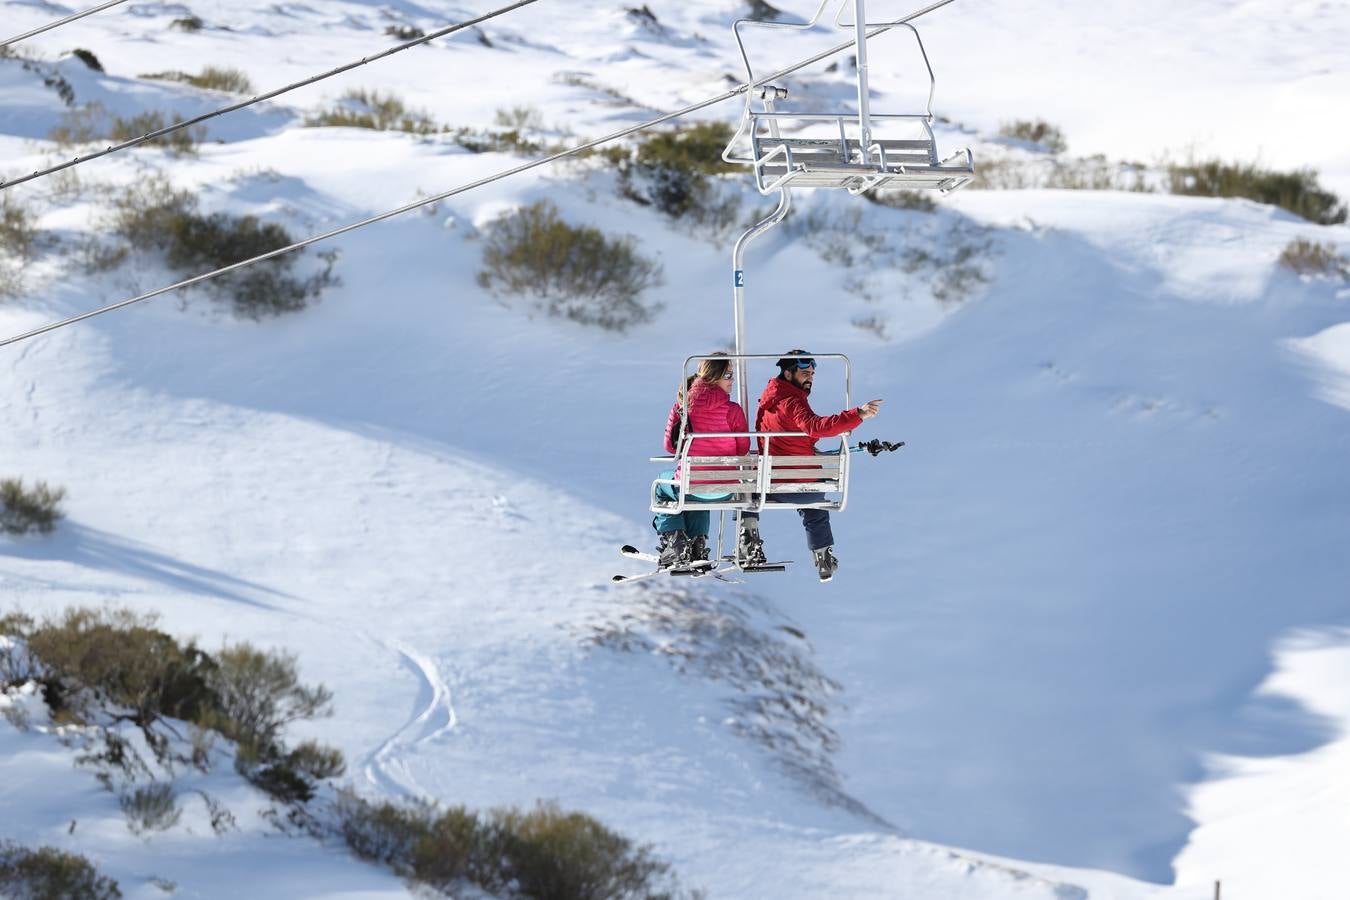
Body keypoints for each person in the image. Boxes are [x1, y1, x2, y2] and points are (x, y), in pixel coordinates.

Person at [738, 350, 882, 582]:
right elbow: (815, 426)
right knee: (814, 498)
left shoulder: (769, 401)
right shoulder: (791, 401)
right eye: (805, 373)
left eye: (812, 374)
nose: (810, 378)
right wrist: (858, 414)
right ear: (788, 373)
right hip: (800, 489)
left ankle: (748, 541)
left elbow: (783, 436)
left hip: (770, 486)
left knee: (746, 483)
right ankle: (823, 555)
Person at [652, 355, 751, 568]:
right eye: (728, 375)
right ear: (714, 376)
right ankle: (697, 545)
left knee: (662, 486)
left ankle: (675, 541)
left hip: (692, 485)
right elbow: (743, 448)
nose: (732, 380)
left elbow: (670, 446)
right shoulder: (733, 411)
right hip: (727, 487)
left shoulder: (682, 405)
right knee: (703, 488)